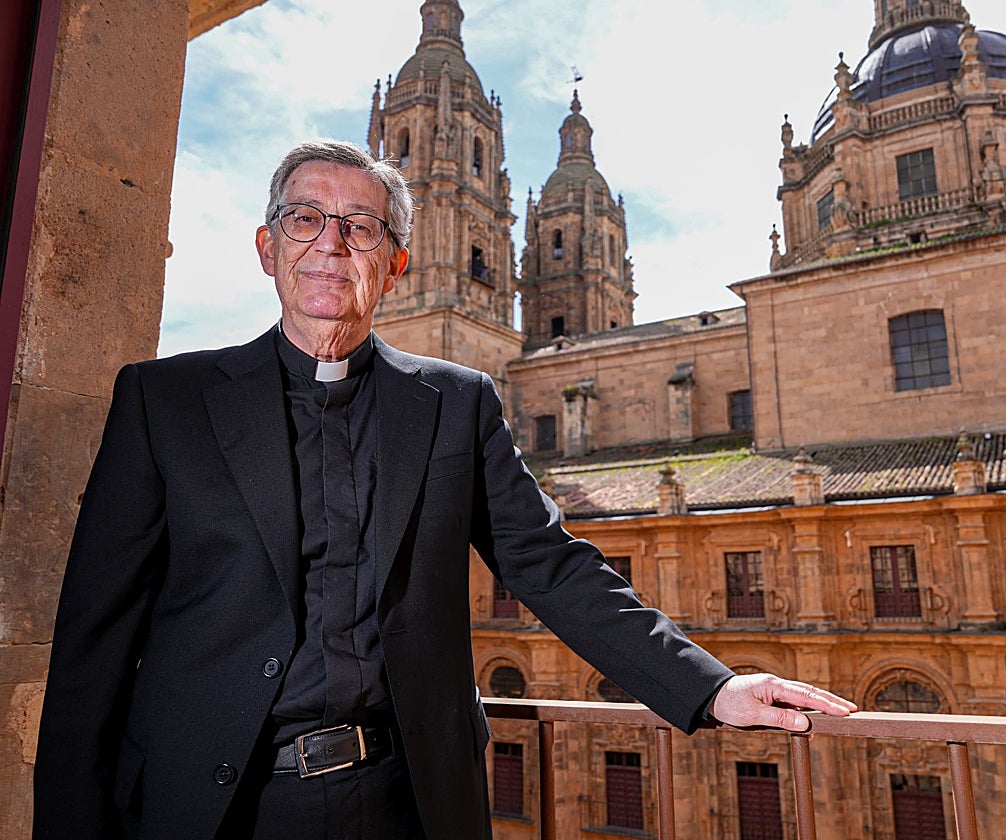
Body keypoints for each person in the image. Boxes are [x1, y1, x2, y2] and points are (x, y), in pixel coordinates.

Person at [34, 139, 856, 840]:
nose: (330, 245)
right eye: (304, 220)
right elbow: (93, 646)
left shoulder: (457, 401)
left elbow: (549, 565)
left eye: (359, 228)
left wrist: (710, 685)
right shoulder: (163, 400)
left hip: (402, 800)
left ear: (393, 263)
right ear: (267, 246)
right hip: (211, 805)